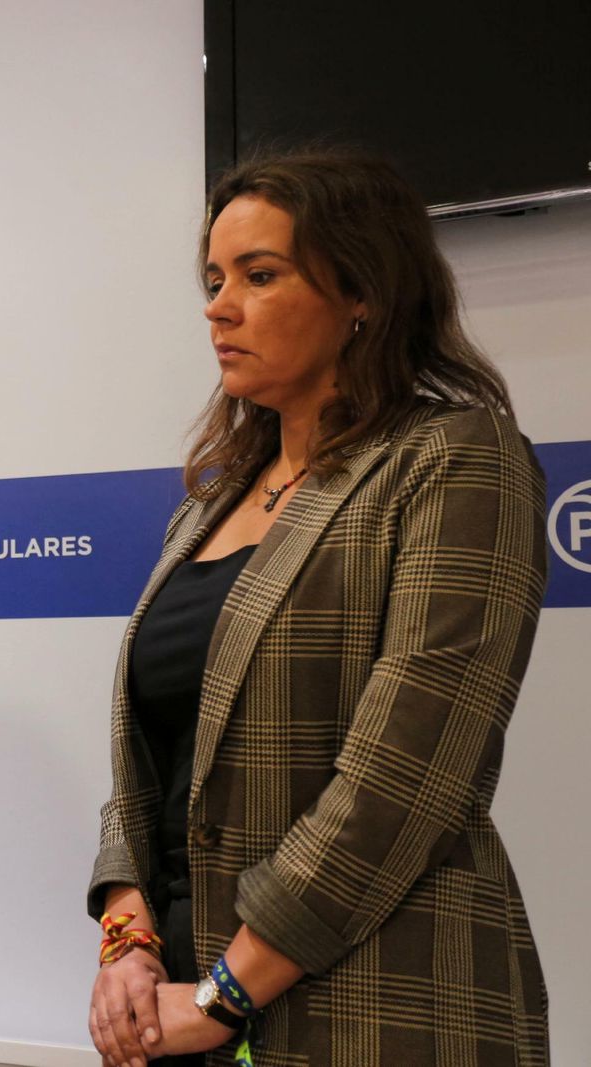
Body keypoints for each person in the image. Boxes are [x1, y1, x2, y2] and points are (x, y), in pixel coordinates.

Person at [86, 149, 549, 1067]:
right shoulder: (206, 506)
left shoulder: (457, 457)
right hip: (178, 1008)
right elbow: (150, 766)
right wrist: (127, 939)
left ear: (362, 293)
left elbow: (406, 779)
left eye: (260, 276)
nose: (219, 306)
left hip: (381, 1005)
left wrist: (226, 992)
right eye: (215, 279)